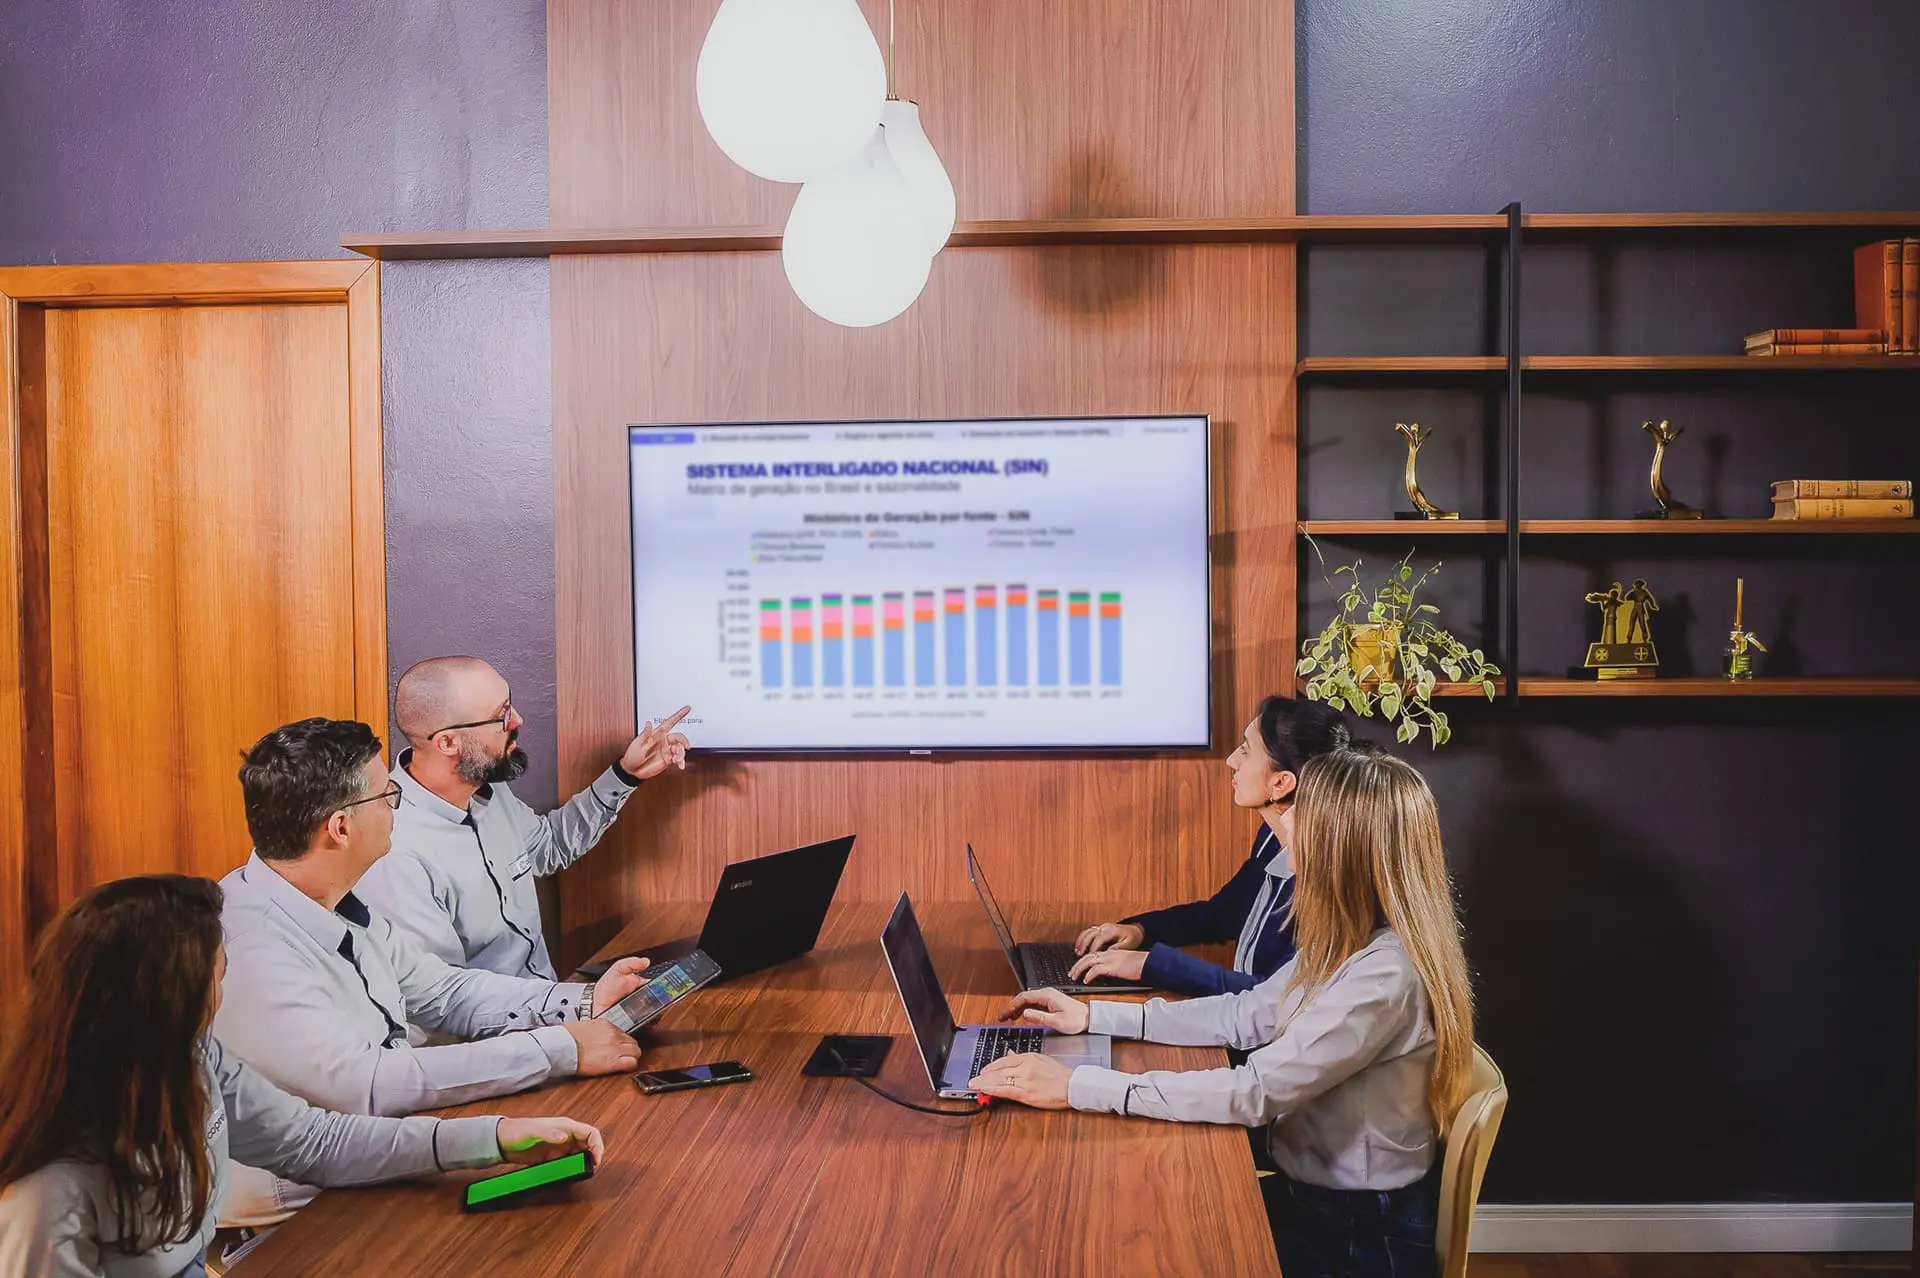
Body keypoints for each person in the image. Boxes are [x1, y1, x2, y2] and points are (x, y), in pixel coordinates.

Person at [972, 748, 1474, 1278]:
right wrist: (1093, 1017)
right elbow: (1246, 1014)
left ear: (1340, 846)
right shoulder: (1350, 937)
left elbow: (1255, 1092)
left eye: (1304, 810)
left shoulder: (1384, 977)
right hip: (1314, 1198)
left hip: (1358, 1236)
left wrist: (1077, 1086)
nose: (1288, 818)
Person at [0, 875, 605, 1278]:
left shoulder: (193, 1059)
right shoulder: (50, 1194)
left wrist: (497, 1139)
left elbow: (315, 1142)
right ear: (168, 996)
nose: (225, 986)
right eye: (219, 972)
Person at [212, 718, 651, 1222]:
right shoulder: (249, 947)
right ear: (340, 827)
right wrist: (559, 1049)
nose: (396, 807)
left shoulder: (334, 901)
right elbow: (368, 1086)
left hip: (389, 1158)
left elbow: (441, 991)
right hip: (305, 1216)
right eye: (386, 796)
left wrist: (582, 1003)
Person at [354, 656, 690, 979]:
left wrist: (625, 774)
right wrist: (569, 1013)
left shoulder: (485, 786)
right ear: (447, 742)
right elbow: (446, 999)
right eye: (501, 716)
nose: (517, 721)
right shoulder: (395, 853)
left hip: (548, 1009)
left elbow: (548, 846)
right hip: (500, 1033)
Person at [1069, 695, 1350, 995]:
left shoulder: (1326, 879)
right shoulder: (1272, 839)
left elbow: (1269, 1000)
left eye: (1245, 751)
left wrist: (1148, 965)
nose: (1231, 760)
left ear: (1281, 783)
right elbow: (1221, 914)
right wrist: (1140, 930)